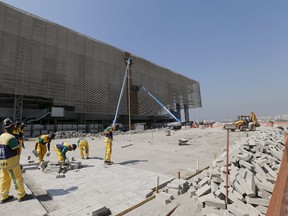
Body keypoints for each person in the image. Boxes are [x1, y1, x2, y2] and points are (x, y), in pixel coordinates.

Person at [0, 118, 33, 203]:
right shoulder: (11, 138)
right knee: (16, 178)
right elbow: (17, 150)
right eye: (12, 125)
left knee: (4, 179)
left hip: (2, 162)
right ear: (10, 126)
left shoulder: (1, 136)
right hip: (11, 162)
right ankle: (21, 195)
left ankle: (3, 196)